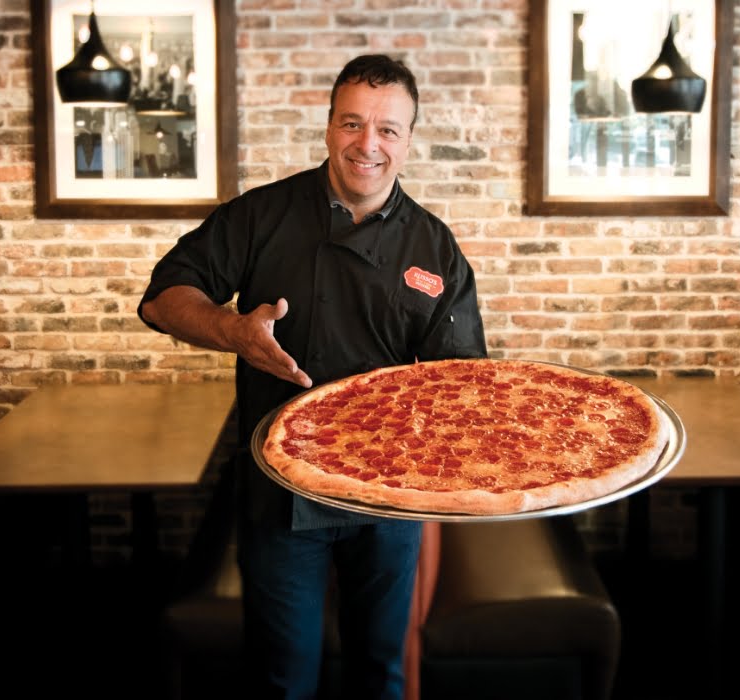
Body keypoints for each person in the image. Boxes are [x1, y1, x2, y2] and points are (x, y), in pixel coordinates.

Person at [138, 54, 487, 699]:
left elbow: (463, 386)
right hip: (279, 493)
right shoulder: (262, 216)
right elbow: (163, 297)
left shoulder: (434, 247)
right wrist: (233, 331)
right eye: (353, 124)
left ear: (408, 140)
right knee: (282, 678)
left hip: (389, 495)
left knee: (379, 673)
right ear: (328, 127)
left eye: (387, 130)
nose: (368, 144)